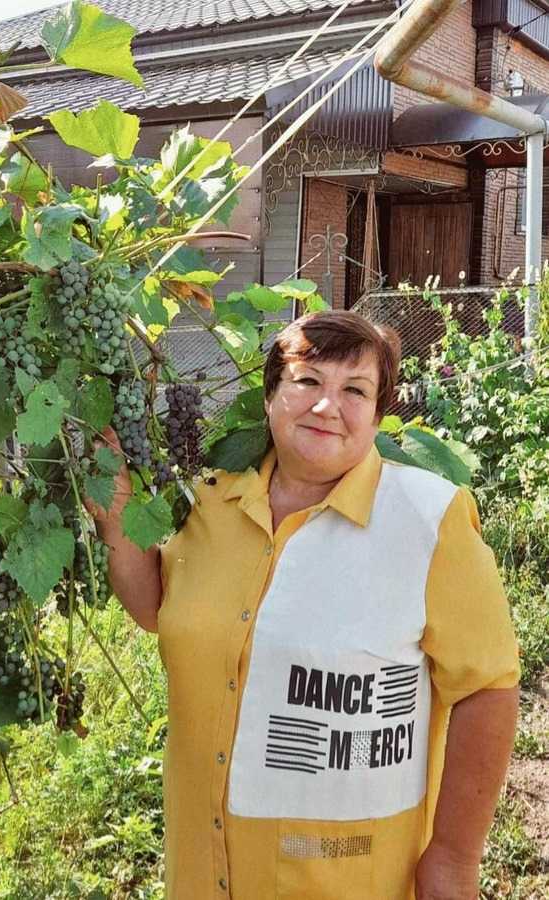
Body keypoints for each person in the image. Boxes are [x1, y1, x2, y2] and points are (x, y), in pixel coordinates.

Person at [85, 310, 520, 900]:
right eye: (308, 380)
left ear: (378, 414)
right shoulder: (213, 500)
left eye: (355, 390)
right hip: (204, 872)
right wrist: (115, 519)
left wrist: (452, 858)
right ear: (271, 396)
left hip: (346, 881)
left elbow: (487, 689)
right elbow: (158, 608)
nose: (326, 405)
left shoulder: (427, 520)